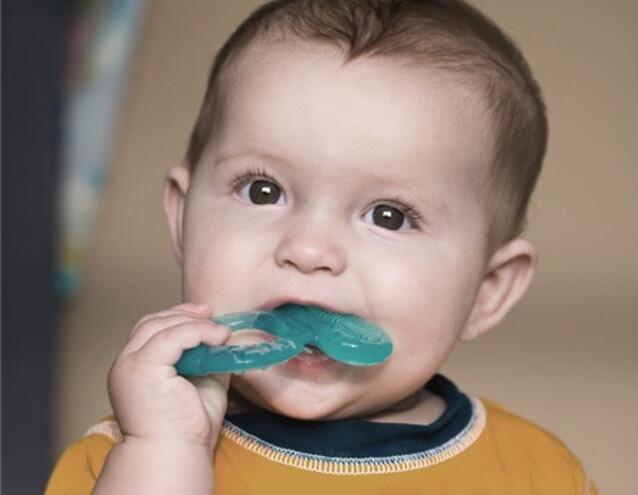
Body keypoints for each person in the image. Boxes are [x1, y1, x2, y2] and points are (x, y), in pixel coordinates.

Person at [46, 0, 598, 493]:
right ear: (183, 219)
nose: (308, 250)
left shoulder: (536, 473)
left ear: (487, 290)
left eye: (389, 215)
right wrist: (167, 454)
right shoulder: (123, 460)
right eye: (263, 191)